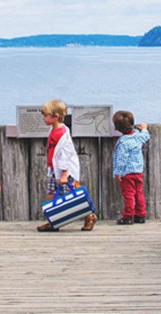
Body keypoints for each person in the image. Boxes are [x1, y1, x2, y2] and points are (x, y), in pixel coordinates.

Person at [37, 99, 97, 232]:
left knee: (74, 196)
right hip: (54, 169)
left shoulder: (61, 134)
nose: (43, 118)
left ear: (55, 117)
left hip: (65, 171)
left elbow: (65, 155)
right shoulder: (55, 130)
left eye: (46, 115)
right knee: (51, 195)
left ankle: (89, 217)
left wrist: (64, 174)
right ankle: (52, 220)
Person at [112, 110, 150, 225]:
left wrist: (117, 173)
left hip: (127, 173)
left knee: (128, 195)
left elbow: (121, 159)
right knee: (138, 193)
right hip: (138, 171)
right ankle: (141, 215)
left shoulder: (123, 142)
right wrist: (144, 128)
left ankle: (128, 216)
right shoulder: (137, 136)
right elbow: (146, 135)